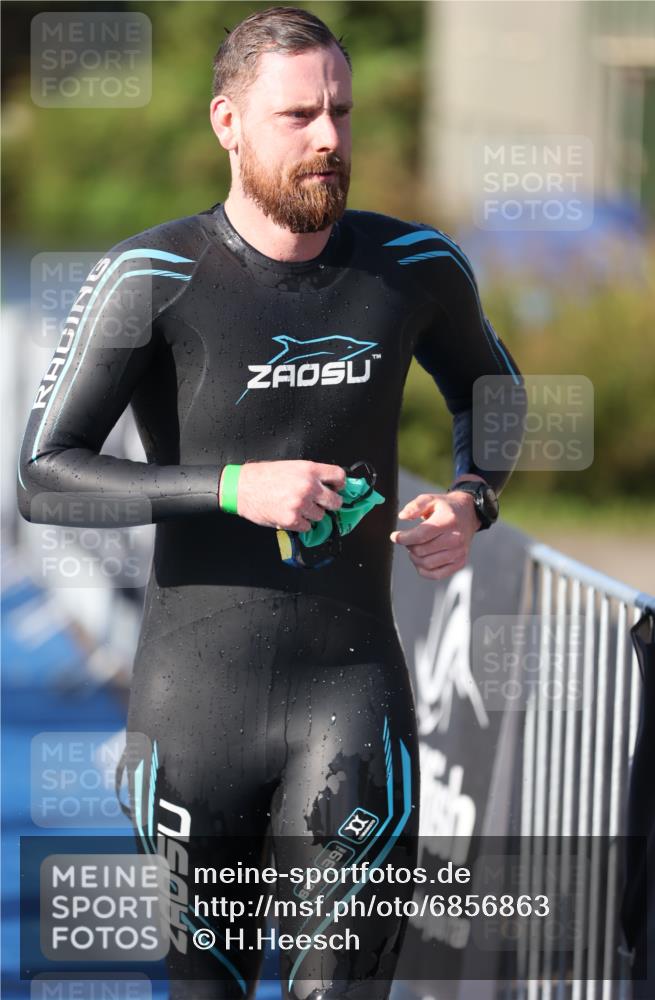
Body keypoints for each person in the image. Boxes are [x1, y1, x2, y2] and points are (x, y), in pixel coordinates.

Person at [17, 7, 524, 999]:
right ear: (228, 124)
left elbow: (492, 392)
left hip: (351, 697)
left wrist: (473, 498)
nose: (329, 137)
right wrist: (230, 488)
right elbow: (45, 475)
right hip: (192, 713)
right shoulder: (152, 277)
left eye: (341, 111)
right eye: (298, 115)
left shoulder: (413, 266)